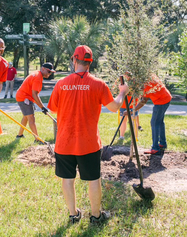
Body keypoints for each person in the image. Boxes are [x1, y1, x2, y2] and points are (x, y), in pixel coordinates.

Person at [47, 45, 129, 224]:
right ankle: (96, 216)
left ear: (74, 60)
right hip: (89, 143)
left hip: (64, 142)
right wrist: (122, 92)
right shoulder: (98, 84)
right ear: (90, 64)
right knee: (93, 179)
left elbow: (52, 108)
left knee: (67, 178)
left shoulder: (61, 83)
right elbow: (115, 107)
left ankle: (73, 214)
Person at [131, 75, 172, 155]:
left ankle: (155, 148)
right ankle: (162, 143)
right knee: (159, 122)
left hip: (161, 101)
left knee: (154, 123)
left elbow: (143, 101)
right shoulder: (150, 76)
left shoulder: (147, 84)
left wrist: (133, 110)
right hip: (166, 98)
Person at [15, 63, 55, 140]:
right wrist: (42, 107)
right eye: (48, 71)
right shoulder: (38, 77)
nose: (49, 74)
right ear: (43, 68)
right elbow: (35, 95)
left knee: (26, 117)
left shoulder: (37, 74)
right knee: (31, 118)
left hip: (23, 96)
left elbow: (34, 95)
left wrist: (42, 107)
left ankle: (19, 135)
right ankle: (37, 139)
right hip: (24, 98)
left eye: (51, 72)